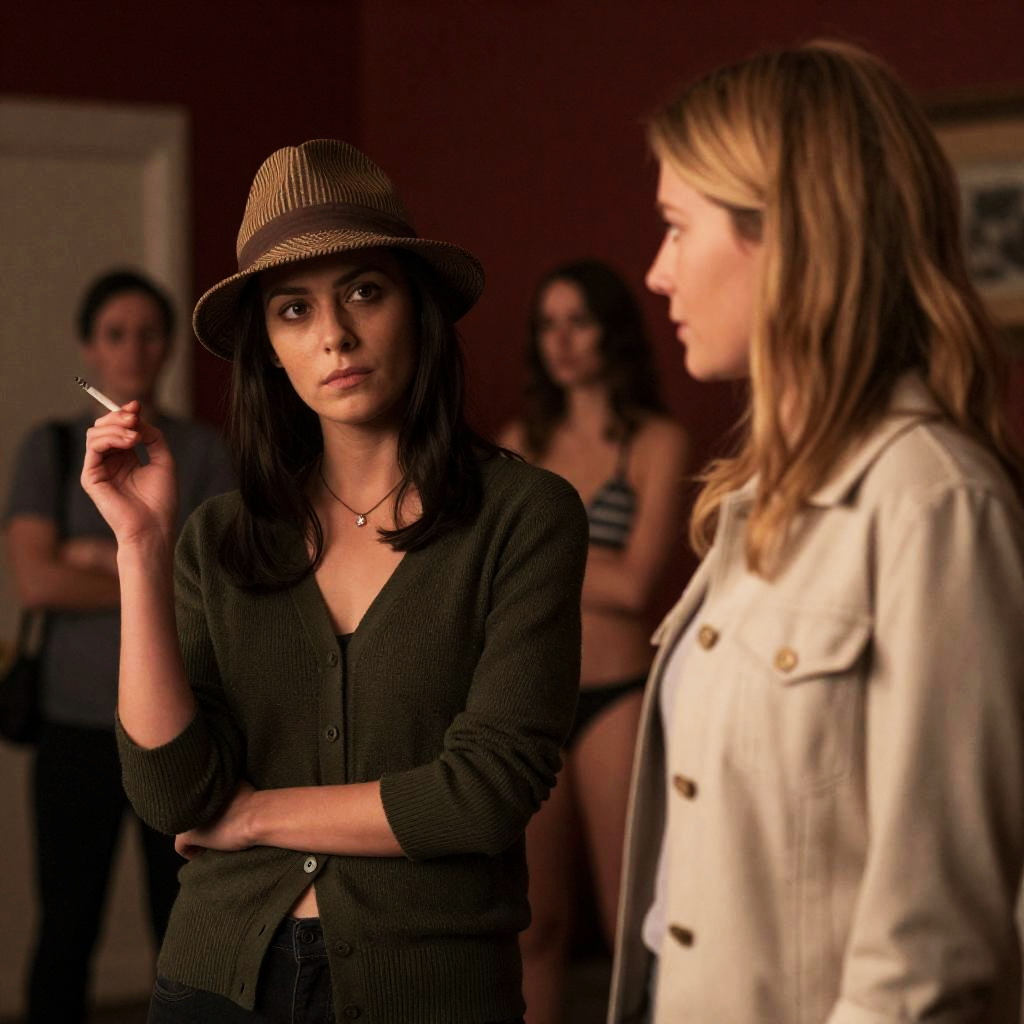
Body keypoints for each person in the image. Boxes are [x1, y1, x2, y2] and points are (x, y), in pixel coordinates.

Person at [80, 139, 589, 1024]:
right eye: (294, 309)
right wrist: (141, 549)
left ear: (416, 306)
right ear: (271, 350)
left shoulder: (524, 516)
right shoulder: (218, 538)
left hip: (427, 987)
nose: (333, 336)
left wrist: (252, 818)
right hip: (214, 981)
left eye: (364, 291)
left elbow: (485, 795)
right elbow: (172, 794)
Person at [608, 39, 1024, 1023]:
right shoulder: (759, 498)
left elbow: (929, 951)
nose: (656, 273)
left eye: (677, 227)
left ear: (786, 236)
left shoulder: (934, 506)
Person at [3, 269, 234, 1024]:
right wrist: (146, 561)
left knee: (184, 923)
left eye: (149, 333)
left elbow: (216, 588)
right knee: (66, 926)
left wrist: (97, 555)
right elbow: (38, 581)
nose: (133, 348)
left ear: (168, 347)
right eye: (115, 333)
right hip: (73, 725)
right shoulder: (52, 448)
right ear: (89, 349)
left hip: (176, 726)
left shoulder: (203, 452)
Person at [499, 259, 688, 1023]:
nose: (563, 340)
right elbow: (497, 580)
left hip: (619, 695)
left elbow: (636, 585)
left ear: (612, 330)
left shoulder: (656, 441)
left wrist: (538, 555)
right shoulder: (520, 441)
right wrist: (580, 563)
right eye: (549, 324)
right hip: (531, 695)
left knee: (629, 921)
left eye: (578, 321)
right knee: (535, 924)